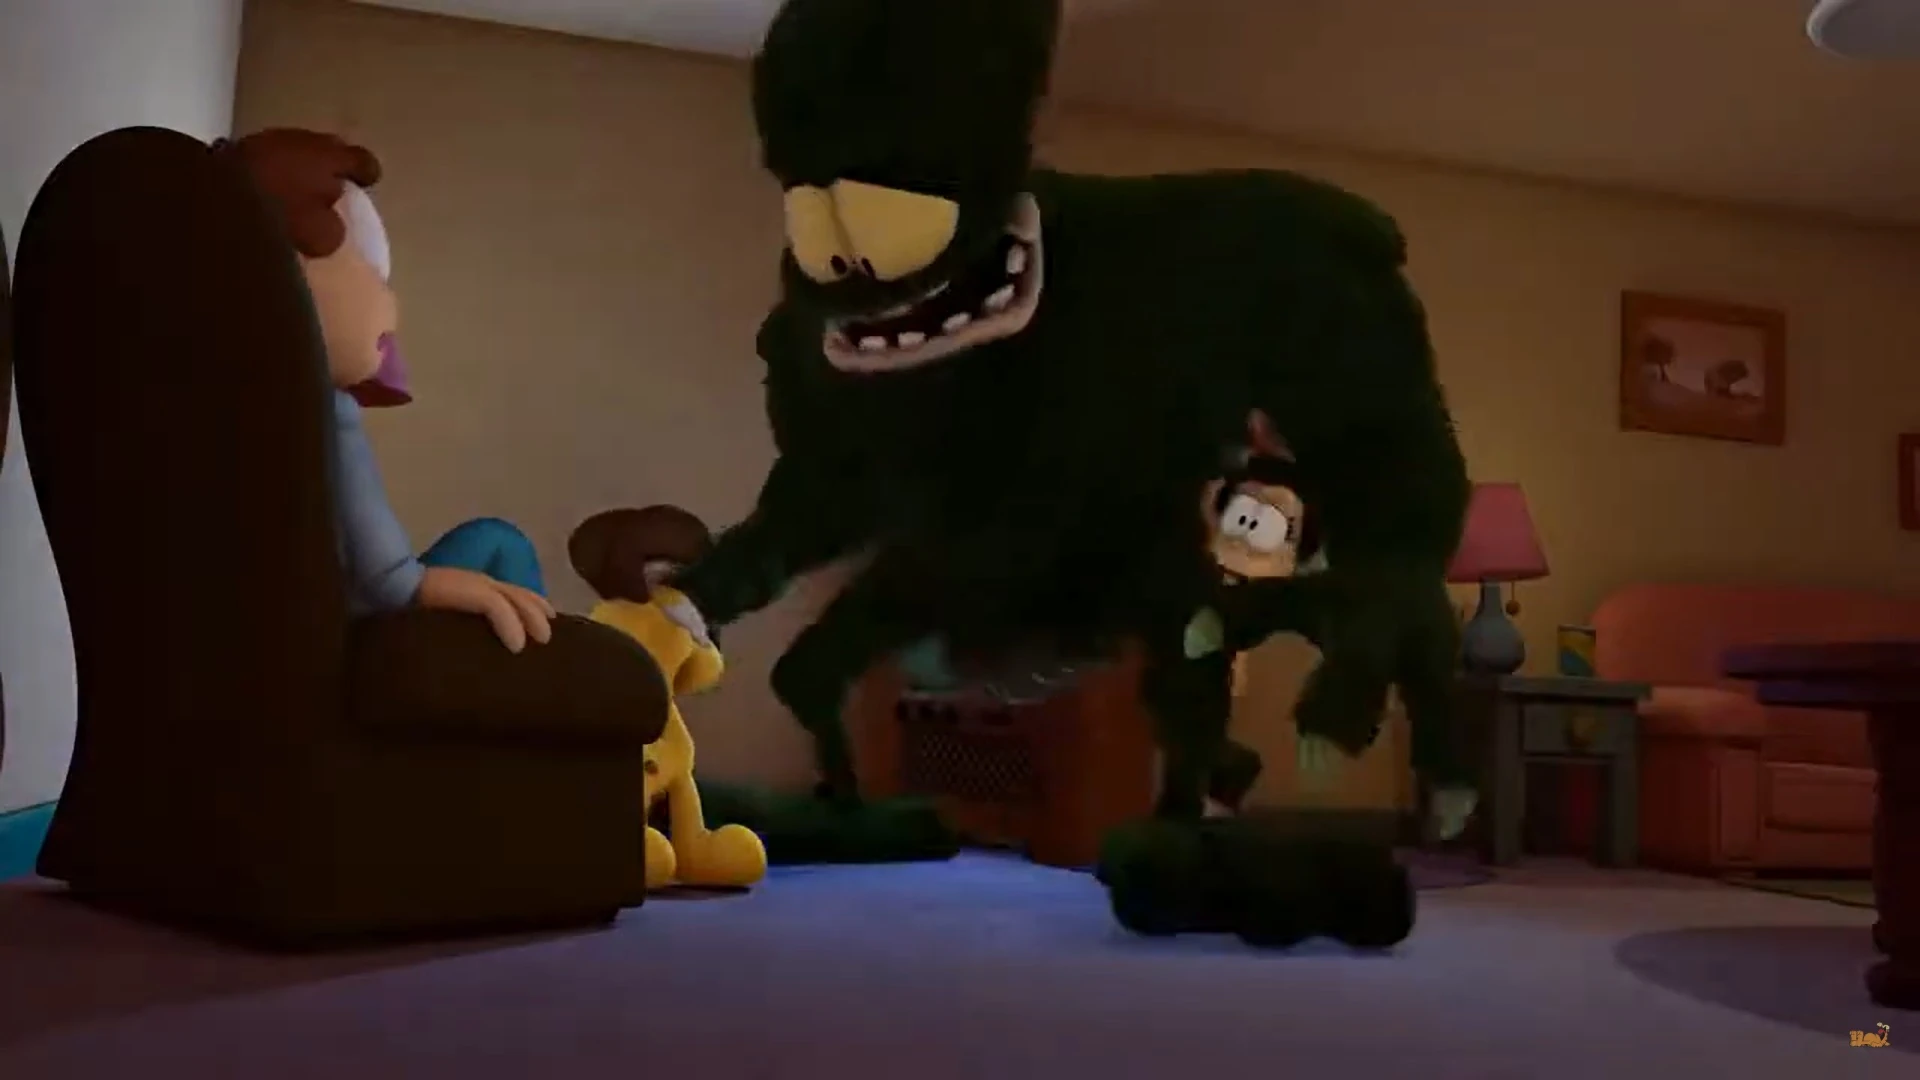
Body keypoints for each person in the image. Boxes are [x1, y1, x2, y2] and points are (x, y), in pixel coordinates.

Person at [221, 129, 554, 652]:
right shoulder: (323, 410)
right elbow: (378, 561)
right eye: (373, 276)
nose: (388, 306)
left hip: (298, 613)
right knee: (500, 543)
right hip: (347, 618)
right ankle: (541, 673)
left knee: (494, 540)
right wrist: (410, 583)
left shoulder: (220, 401)